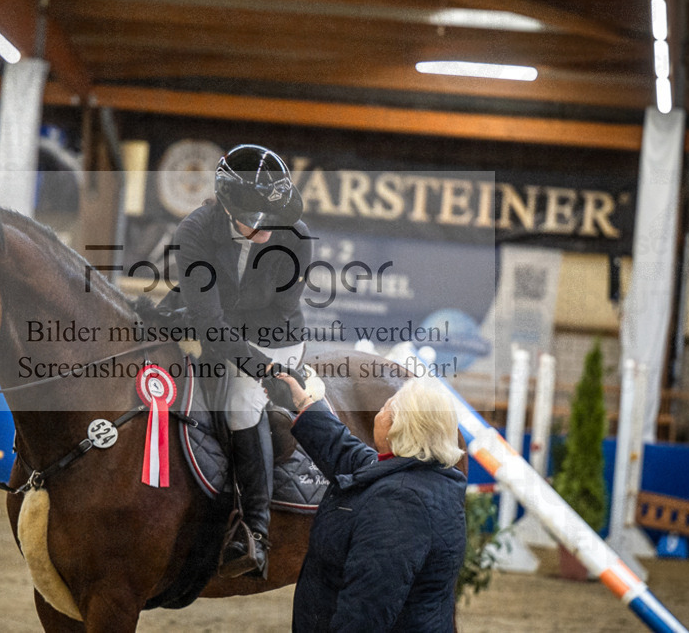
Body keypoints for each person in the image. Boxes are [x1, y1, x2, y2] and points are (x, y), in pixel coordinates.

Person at [167, 144, 312, 578]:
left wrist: (257, 366)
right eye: (255, 222)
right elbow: (209, 319)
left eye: (273, 222)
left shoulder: (296, 237)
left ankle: (256, 533)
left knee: (240, 401)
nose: (267, 232)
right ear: (227, 207)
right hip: (215, 327)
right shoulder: (195, 232)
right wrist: (193, 316)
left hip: (274, 337)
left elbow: (279, 310)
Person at [276, 372, 467, 632]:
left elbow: (366, 607)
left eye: (385, 408)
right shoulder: (424, 476)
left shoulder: (399, 502)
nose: (378, 413)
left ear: (398, 427)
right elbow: (350, 455)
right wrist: (306, 404)